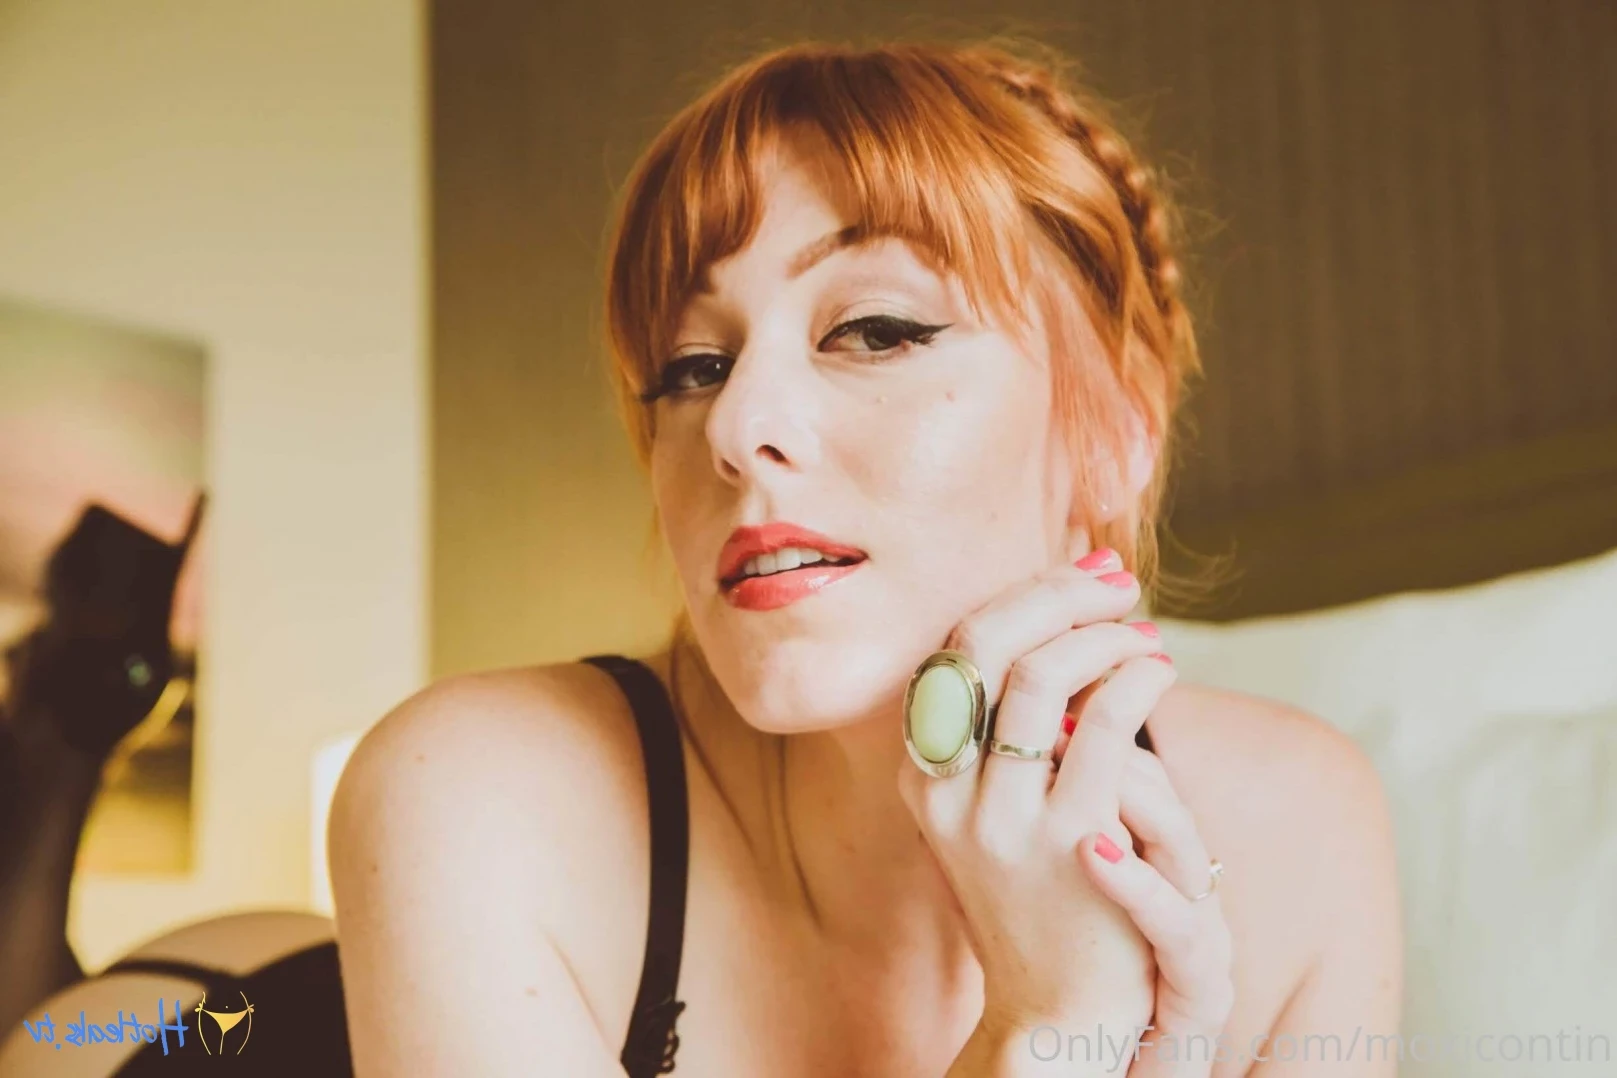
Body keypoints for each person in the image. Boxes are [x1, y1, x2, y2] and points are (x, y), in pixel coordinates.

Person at [329, 40, 1402, 1077]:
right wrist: (1043, 1033)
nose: (735, 424)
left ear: (1112, 437)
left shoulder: (1293, 835)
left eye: (876, 330)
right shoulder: (472, 800)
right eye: (694, 365)